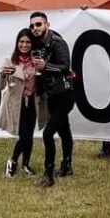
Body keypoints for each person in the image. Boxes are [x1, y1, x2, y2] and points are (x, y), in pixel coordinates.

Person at [29, 11, 74, 188]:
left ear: (47, 24)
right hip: (51, 96)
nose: (35, 28)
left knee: (48, 133)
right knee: (64, 131)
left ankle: (49, 174)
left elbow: (65, 67)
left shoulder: (57, 42)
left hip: (65, 94)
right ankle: (67, 166)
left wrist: (45, 66)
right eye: (32, 26)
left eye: (38, 24)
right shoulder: (36, 45)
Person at [0, 28, 48, 177]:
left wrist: (44, 69)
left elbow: (42, 79)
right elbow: (0, 86)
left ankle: (26, 164)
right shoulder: (10, 61)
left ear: (32, 44)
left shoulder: (37, 60)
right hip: (16, 105)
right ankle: (12, 161)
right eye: (21, 41)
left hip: (33, 103)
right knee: (24, 136)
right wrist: (2, 75)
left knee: (29, 136)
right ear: (17, 43)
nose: (24, 45)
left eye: (27, 42)